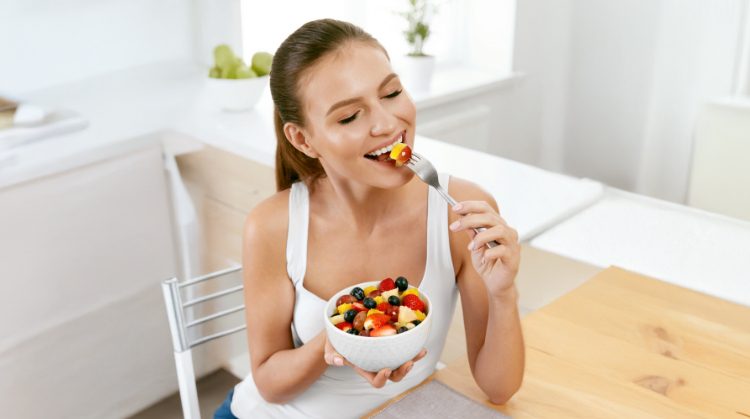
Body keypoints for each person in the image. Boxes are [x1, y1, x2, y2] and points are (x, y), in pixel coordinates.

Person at [215, 18, 524, 419]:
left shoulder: (460, 211)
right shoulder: (273, 225)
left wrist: (503, 292)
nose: (387, 124)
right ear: (303, 139)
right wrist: (338, 339)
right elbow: (270, 384)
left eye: (392, 93)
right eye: (349, 117)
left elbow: (499, 389)